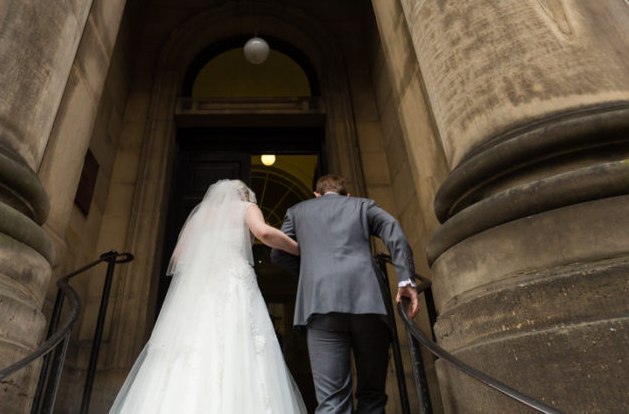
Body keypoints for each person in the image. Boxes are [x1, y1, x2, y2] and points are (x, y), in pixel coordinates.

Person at [110, 179, 308, 413]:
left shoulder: (200, 216)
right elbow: (263, 232)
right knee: (238, 343)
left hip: (201, 290)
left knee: (193, 346)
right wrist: (299, 247)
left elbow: (178, 257)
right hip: (233, 284)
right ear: (245, 196)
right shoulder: (246, 208)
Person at [271, 174, 419, 414]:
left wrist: (312, 271)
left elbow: (277, 253)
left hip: (319, 305)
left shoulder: (297, 211)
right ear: (347, 195)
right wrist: (405, 279)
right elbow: (393, 229)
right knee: (372, 394)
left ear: (316, 195)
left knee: (332, 401)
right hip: (368, 303)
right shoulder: (362, 205)